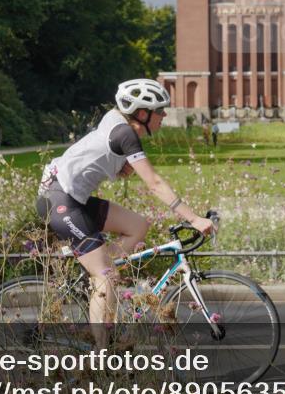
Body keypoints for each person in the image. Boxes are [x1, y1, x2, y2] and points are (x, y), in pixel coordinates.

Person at [36, 79, 215, 346]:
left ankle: (98, 282)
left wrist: (118, 166)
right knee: (106, 275)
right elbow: (153, 183)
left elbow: (98, 150)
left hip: (73, 197)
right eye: (160, 111)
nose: (164, 116)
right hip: (58, 201)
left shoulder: (119, 123)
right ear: (142, 114)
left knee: (138, 226)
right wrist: (193, 218)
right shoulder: (125, 134)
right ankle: (101, 356)